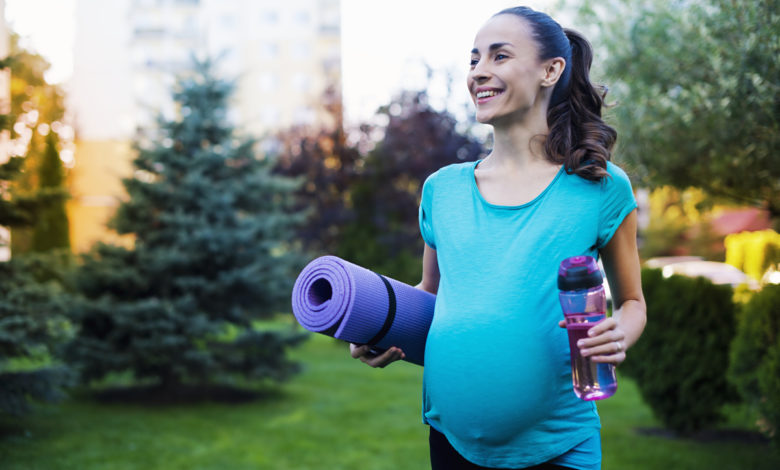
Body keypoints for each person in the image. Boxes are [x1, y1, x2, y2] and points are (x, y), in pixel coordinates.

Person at [350, 6, 646, 470]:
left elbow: (633, 302)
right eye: (473, 60)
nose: (479, 73)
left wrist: (619, 334)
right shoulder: (441, 189)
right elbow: (431, 295)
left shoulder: (600, 186)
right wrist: (379, 327)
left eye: (499, 56)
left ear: (551, 70)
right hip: (452, 442)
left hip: (559, 445)